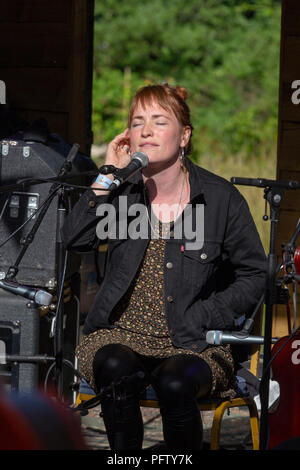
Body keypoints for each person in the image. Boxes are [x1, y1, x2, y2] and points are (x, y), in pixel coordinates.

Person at [61, 83, 266, 451]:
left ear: (184, 135)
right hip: (122, 334)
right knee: (112, 370)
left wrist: (207, 314)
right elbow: (75, 238)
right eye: (137, 122)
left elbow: (254, 275)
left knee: (174, 383)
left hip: (194, 341)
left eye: (159, 121)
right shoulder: (123, 193)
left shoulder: (220, 199)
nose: (146, 130)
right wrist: (108, 173)